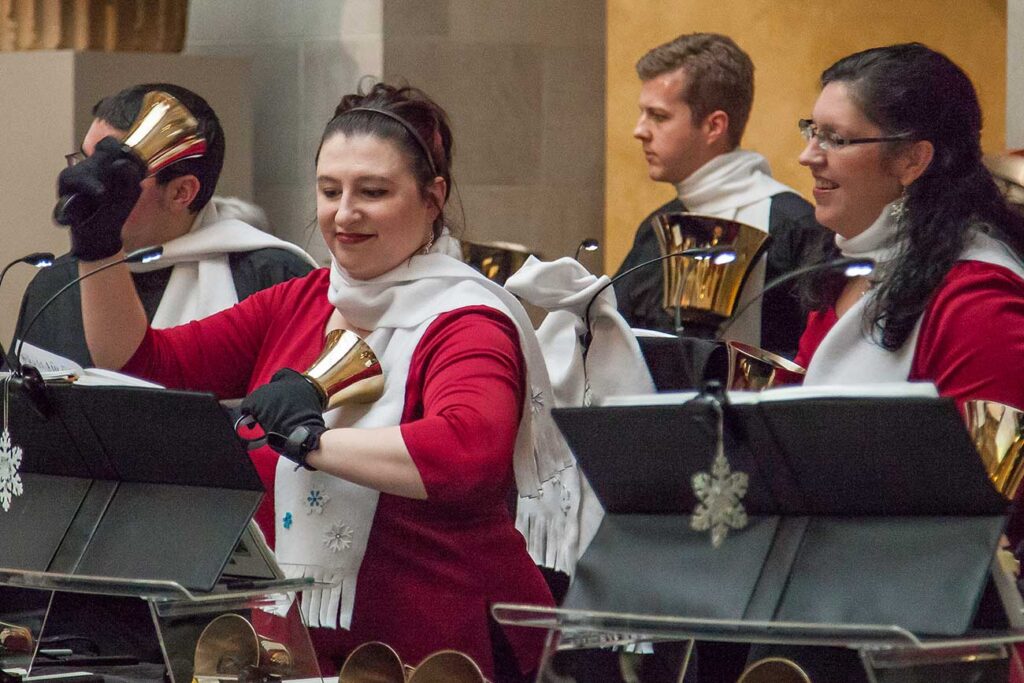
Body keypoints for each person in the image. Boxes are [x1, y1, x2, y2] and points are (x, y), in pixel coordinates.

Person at [64, 83, 568, 682]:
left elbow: (466, 452)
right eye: (330, 191)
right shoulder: (300, 300)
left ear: (434, 199)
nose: (344, 213)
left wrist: (309, 440)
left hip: (437, 648)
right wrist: (98, 248)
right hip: (298, 646)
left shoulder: (467, 321)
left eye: (373, 192)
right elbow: (142, 359)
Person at [775, 42, 1024, 682]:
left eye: (835, 136)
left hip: (940, 638)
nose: (808, 154)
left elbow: (992, 502)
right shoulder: (854, 275)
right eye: (811, 130)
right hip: (829, 606)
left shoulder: (976, 297)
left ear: (912, 159)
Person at [12, 82, 315, 367]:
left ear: (181, 193)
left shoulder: (274, 278)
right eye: (85, 160)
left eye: (112, 175)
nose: (87, 184)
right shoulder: (55, 284)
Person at [614, 32, 823, 357]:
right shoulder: (656, 226)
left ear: (714, 126)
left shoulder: (793, 226)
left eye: (658, 116)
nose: (639, 130)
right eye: (643, 113)